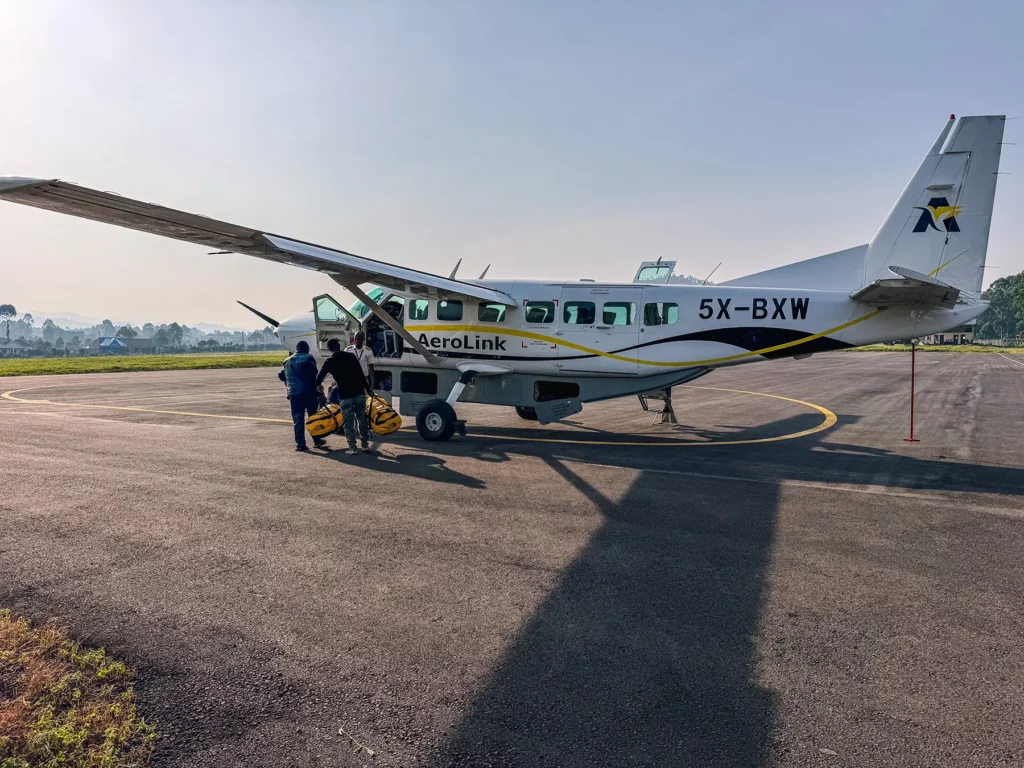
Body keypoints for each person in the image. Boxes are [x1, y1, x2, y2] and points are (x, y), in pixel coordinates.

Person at [316, 338, 373, 455]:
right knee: (362, 419)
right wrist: (368, 390)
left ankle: (352, 447)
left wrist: (318, 385)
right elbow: (361, 375)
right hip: (359, 393)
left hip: (345, 396)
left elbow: (319, 378)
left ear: (329, 349)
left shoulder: (330, 361)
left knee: (348, 422)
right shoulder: (351, 357)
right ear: (339, 346)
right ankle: (365, 445)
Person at [279, 340, 326, 452]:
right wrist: (320, 392)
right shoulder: (308, 358)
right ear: (306, 349)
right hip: (309, 393)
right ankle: (317, 441)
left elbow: (281, 375)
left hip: (294, 394)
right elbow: (314, 374)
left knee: (298, 420)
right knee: (313, 418)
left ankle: (300, 444)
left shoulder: (286, 361)